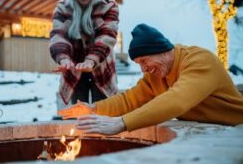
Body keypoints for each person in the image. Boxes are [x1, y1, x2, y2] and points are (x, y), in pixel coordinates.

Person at [58, 23, 243, 135]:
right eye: (139, 63)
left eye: (144, 60)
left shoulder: (200, 60)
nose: (144, 68)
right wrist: (95, 109)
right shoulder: (155, 76)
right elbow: (129, 99)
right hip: (207, 132)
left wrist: (122, 123)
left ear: (162, 51)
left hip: (236, 129)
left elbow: (177, 99)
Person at [49, 0, 119, 106]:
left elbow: (107, 35)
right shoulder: (63, 8)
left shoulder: (109, 6)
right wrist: (63, 58)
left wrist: (92, 60)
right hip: (73, 69)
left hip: (101, 66)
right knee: (79, 113)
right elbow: (59, 35)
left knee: (102, 111)